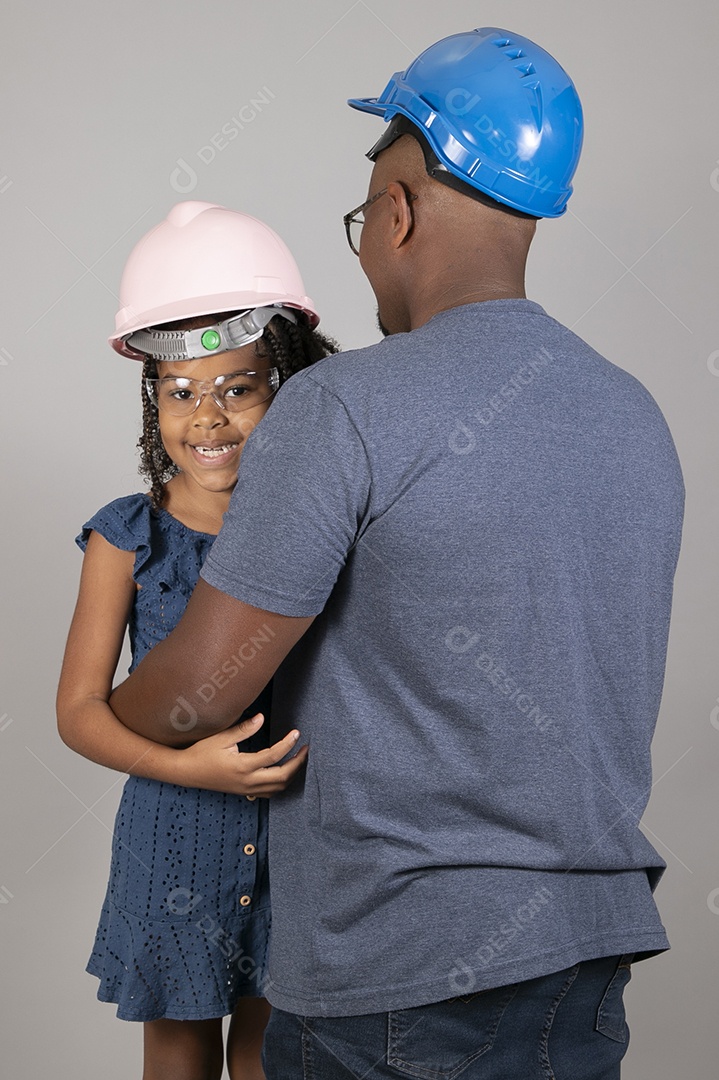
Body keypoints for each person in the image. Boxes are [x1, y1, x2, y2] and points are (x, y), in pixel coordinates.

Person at [104, 28, 684, 1079]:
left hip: (396, 978)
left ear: (397, 209)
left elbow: (198, 694)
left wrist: (127, 702)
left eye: (362, 213)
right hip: (586, 958)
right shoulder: (630, 414)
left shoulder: (345, 406)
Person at [56, 200, 336, 1080]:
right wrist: (192, 768)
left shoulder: (318, 526)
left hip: (301, 837)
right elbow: (76, 713)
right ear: (153, 399)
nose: (206, 419)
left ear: (281, 387)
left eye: (237, 389)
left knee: (270, 1059)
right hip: (173, 838)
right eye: (180, 393)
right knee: (179, 1060)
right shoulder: (125, 537)